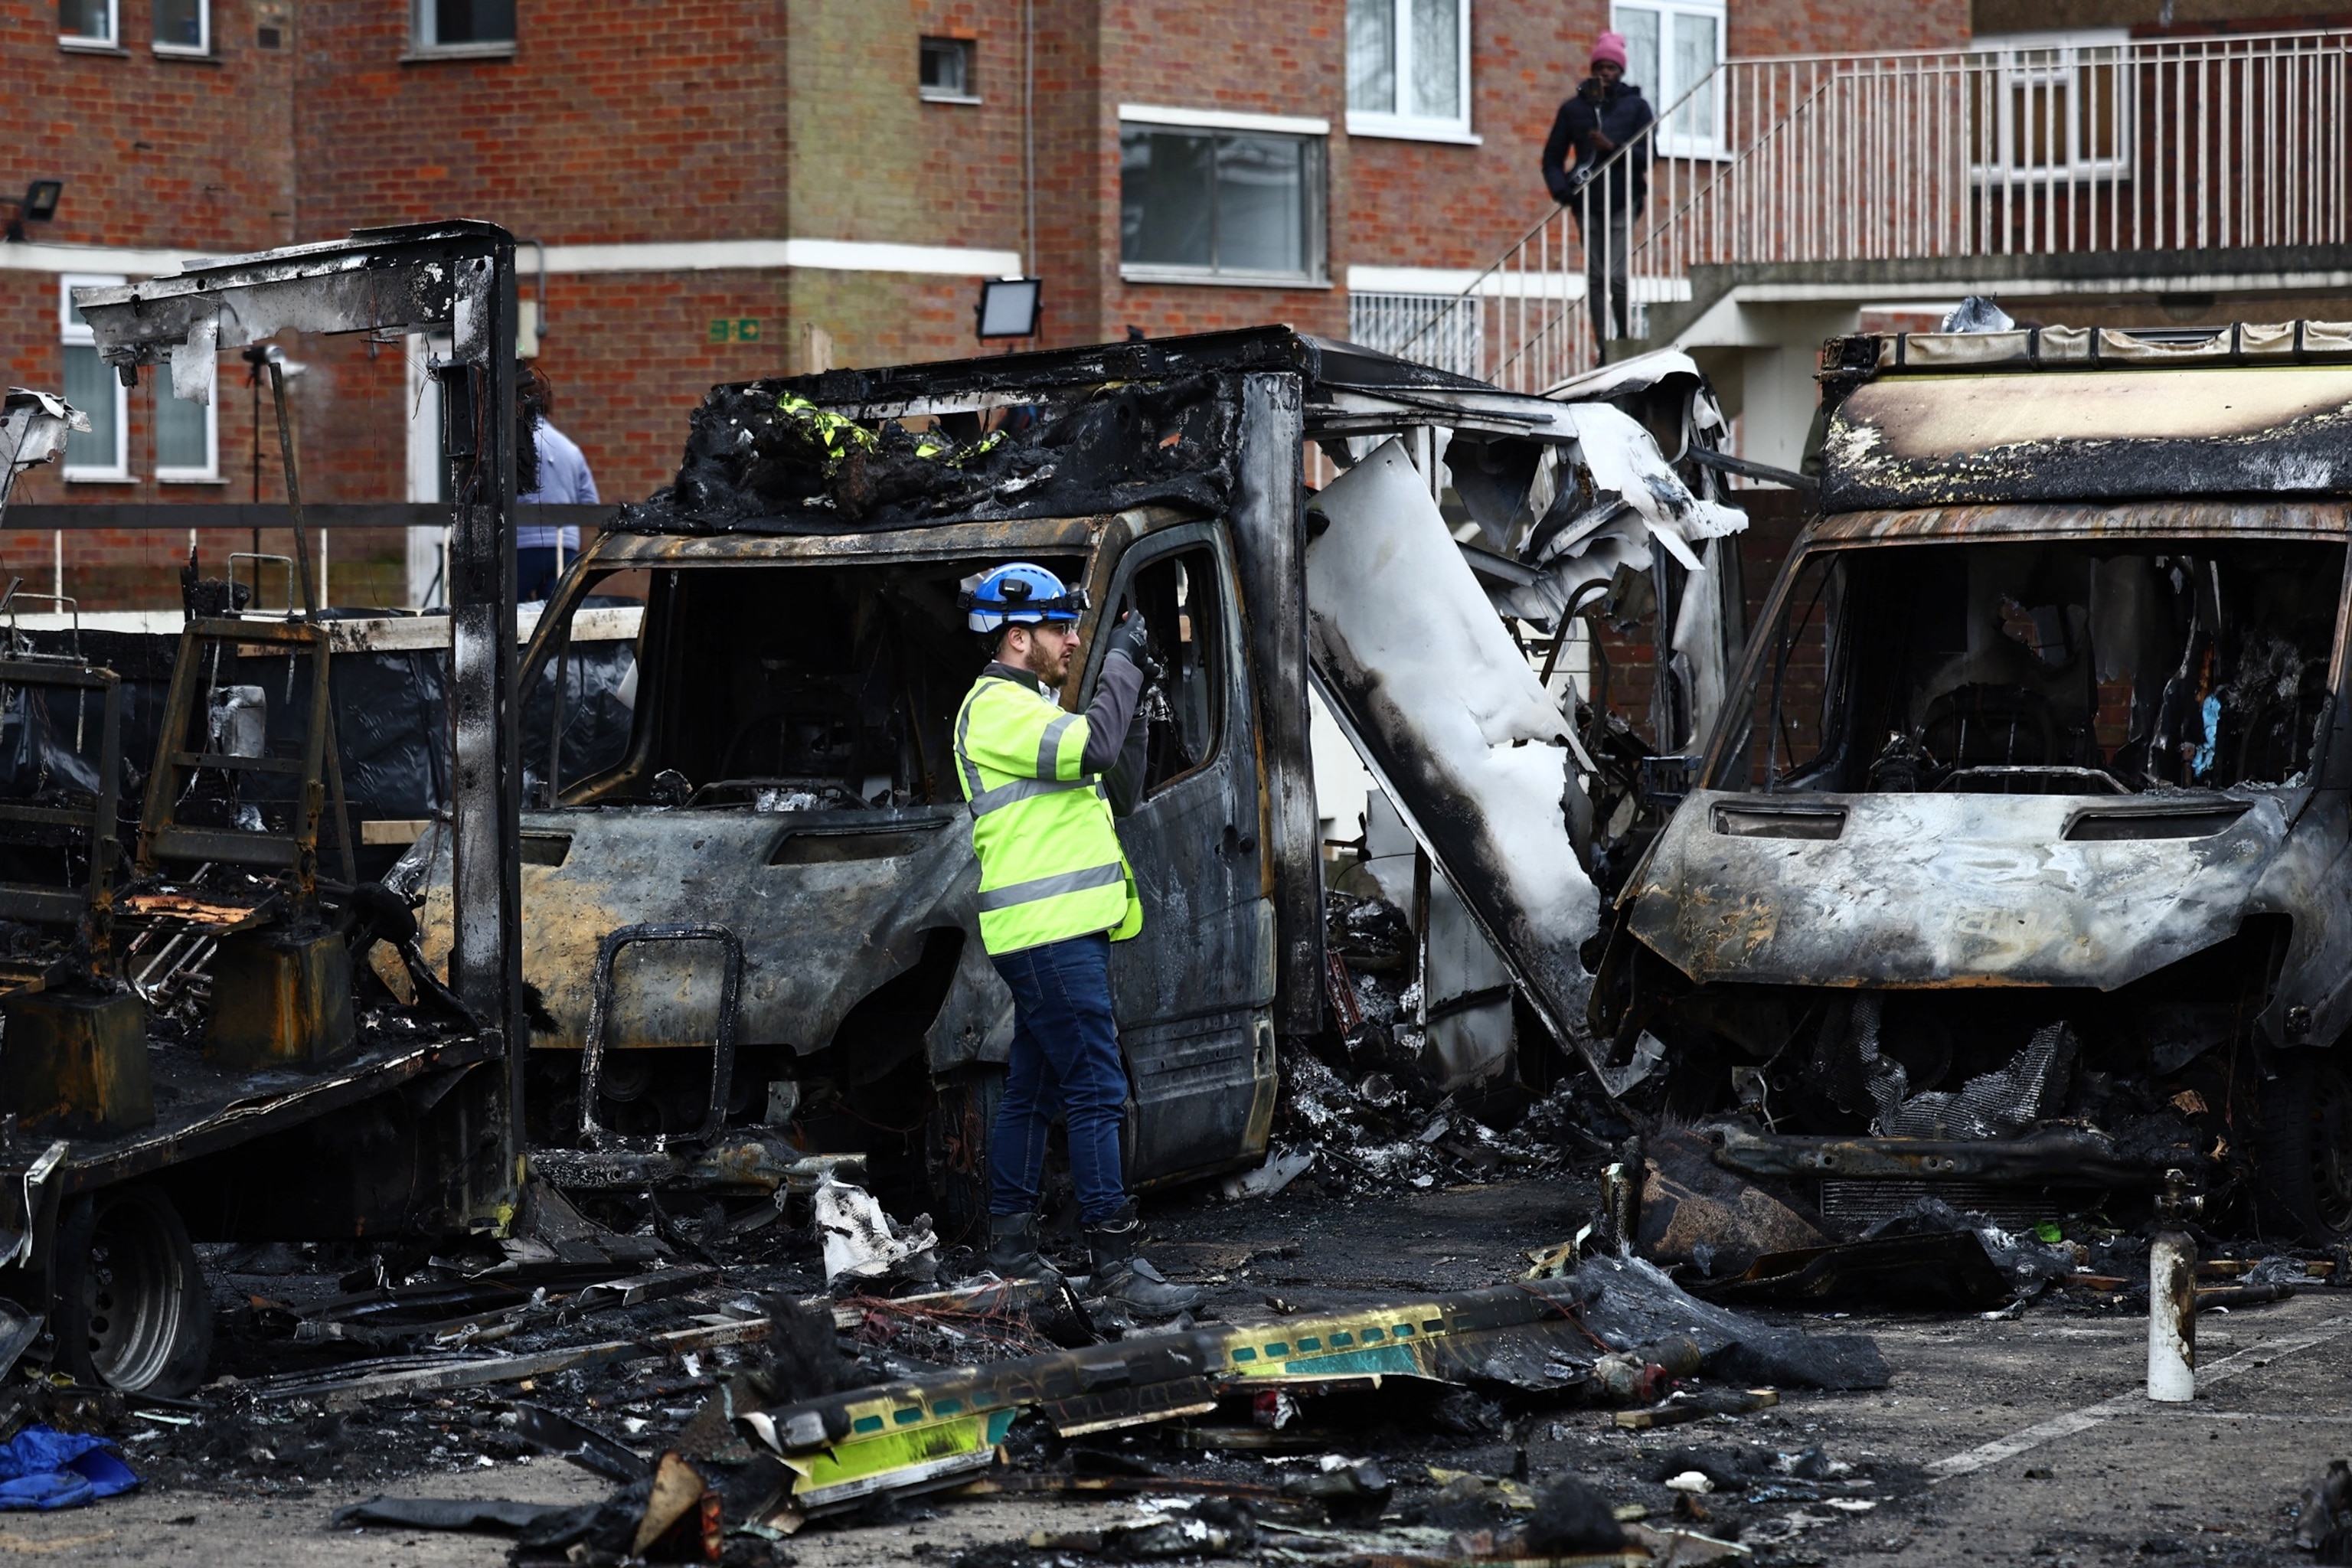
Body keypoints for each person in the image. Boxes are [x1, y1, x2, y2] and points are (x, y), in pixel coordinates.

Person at [952, 563, 1203, 1317]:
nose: (1072, 639)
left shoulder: (1031, 709)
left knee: (1032, 1086)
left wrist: (1138, 689)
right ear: (1016, 635)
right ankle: (1117, 1263)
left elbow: (1114, 782)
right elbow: (1094, 746)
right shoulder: (998, 707)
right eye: (1061, 627)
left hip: (1053, 930)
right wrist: (1122, 661)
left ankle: (1013, 1250)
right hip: (1051, 932)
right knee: (1097, 1084)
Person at [1541, 32, 1654, 348]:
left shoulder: (1637, 107)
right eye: (1601, 67)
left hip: (1623, 199)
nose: (1606, 73)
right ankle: (1604, 347)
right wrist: (1562, 191)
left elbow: (1649, 156)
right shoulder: (1574, 109)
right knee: (1594, 277)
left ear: (1621, 71)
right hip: (1587, 201)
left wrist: (1614, 147)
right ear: (1593, 68)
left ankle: (1624, 339)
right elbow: (1551, 158)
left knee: (1615, 276)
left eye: (1612, 68)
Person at [515, 365, 599, 602]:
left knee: (509, 617)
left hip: (523, 547)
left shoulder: (515, 447)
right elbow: (590, 503)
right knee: (554, 621)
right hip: (565, 548)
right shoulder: (570, 449)